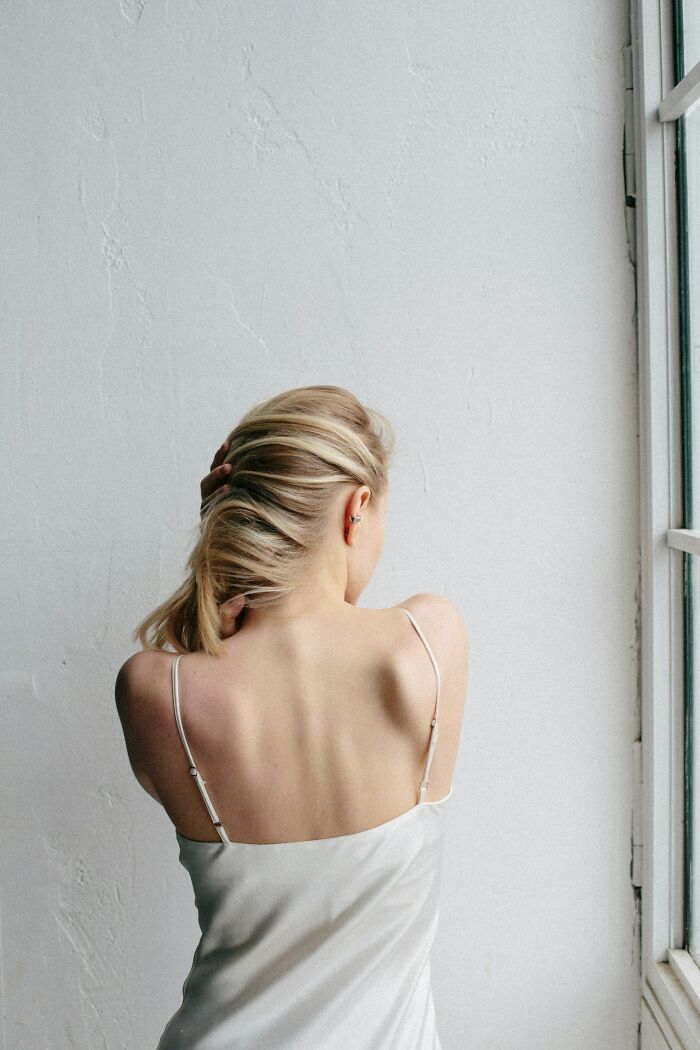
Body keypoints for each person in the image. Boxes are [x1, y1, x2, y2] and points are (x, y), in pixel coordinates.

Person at [115, 384, 470, 1049]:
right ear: (356, 510)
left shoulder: (154, 691)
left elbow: (205, 679)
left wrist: (220, 568)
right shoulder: (429, 646)